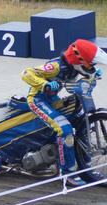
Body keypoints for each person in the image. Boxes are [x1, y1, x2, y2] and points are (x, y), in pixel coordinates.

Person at [21, 39, 107, 186]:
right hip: (38, 100)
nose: (92, 67)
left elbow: (81, 77)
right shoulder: (55, 67)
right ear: (78, 59)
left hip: (53, 100)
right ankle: (66, 173)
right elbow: (26, 73)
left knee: (80, 120)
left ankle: (84, 166)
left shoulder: (73, 67)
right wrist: (45, 84)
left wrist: (92, 74)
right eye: (90, 64)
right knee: (65, 129)